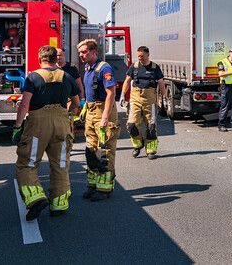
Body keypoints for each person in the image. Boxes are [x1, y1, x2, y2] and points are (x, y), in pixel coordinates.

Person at [13, 45, 81, 220]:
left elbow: (24, 104)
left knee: (27, 162)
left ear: (40, 59)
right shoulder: (66, 76)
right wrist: (69, 116)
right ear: (55, 59)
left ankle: (35, 198)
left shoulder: (34, 77)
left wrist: (18, 126)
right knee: (60, 164)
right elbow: (76, 102)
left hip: (38, 124)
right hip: (62, 122)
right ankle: (59, 205)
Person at [78, 39, 120, 201]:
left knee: (104, 152)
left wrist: (104, 118)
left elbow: (111, 93)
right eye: (80, 53)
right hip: (91, 112)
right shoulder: (89, 68)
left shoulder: (104, 68)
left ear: (94, 52)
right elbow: (90, 92)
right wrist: (85, 108)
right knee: (91, 151)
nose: (81, 55)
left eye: (84, 52)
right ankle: (93, 185)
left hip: (103, 114)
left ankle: (104, 189)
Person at [122, 46, 167, 160]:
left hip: (150, 100)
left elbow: (161, 83)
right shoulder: (135, 66)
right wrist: (123, 94)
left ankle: (151, 150)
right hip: (135, 98)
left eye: (142, 56)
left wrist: (164, 97)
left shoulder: (154, 67)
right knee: (131, 124)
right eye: (138, 56)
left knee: (151, 126)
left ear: (147, 55)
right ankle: (137, 145)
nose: (140, 58)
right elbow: (127, 80)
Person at [57, 48, 85, 122]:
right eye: (56, 55)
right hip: (58, 99)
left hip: (71, 98)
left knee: (69, 121)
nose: (58, 57)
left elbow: (79, 84)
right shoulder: (53, 68)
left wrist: (82, 99)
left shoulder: (71, 68)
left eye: (60, 55)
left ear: (64, 56)